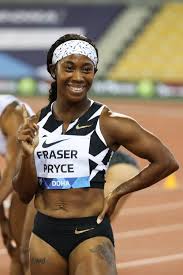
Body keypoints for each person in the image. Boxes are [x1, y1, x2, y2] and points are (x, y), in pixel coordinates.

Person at [13, 33, 179, 275]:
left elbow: (166, 161)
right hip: (45, 234)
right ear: (53, 70)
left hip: (89, 233)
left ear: (94, 72)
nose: (78, 77)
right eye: (69, 68)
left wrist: (118, 192)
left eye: (87, 69)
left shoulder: (109, 122)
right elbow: (25, 193)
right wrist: (27, 155)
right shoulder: (36, 123)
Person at [0, 94, 34, 275]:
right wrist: (3, 222)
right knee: (17, 253)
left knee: (27, 252)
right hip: (24, 182)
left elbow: (16, 165)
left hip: (43, 180)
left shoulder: (11, 112)